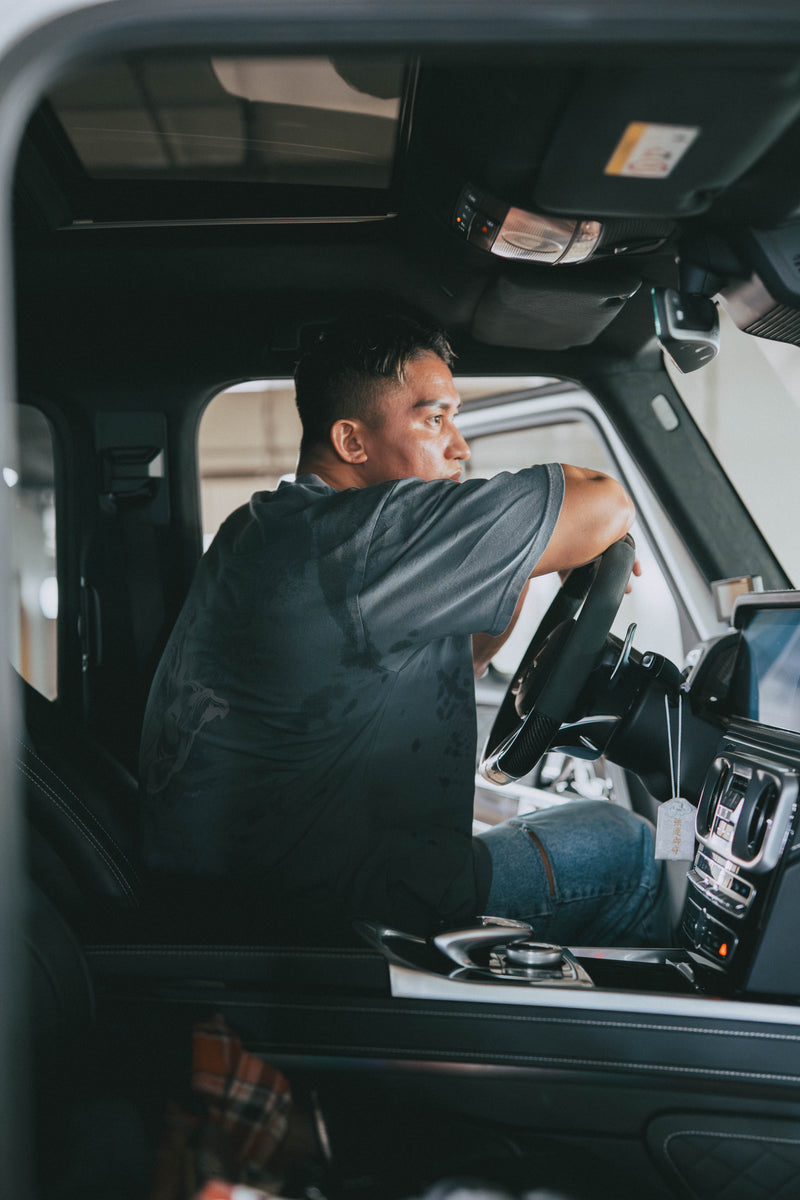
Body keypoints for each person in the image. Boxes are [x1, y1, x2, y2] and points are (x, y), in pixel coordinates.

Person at [139, 312, 669, 945]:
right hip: (339, 914)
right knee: (631, 849)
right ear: (352, 442)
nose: (459, 447)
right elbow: (604, 499)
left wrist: (521, 562)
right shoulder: (364, 540)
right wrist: (565, 536)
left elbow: (458, 659)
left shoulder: (265, 527)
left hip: (251, 893)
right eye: (434, 419)